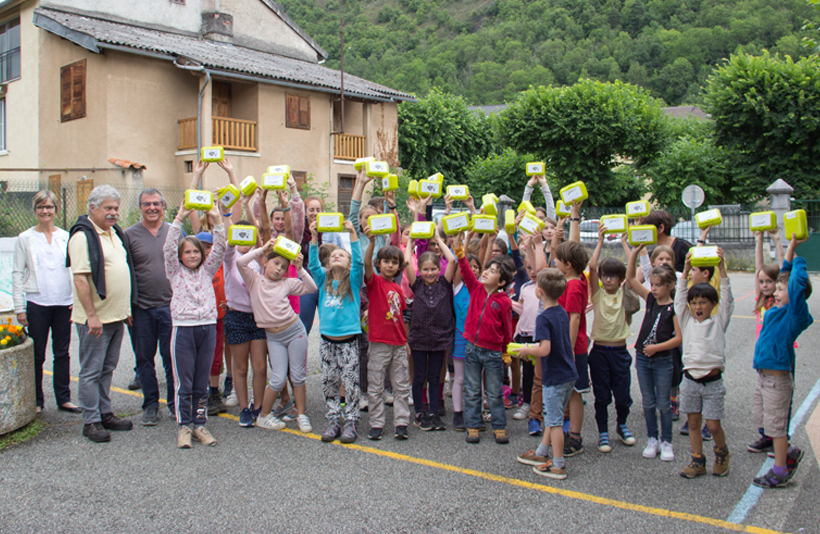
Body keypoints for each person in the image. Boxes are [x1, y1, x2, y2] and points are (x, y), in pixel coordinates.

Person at [67, 185, 136, 443]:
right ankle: (91, 421)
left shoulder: (114, 234)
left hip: (116, 316)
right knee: (91, 370)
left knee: (107, 368)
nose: (114, 213)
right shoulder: (82, 237)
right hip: (96, 320)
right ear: (92, 208)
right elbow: (81, 279)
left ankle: (105, 413)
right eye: (108, 208)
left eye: (116, 208)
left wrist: (126, 309)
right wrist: (91, 316)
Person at [238, 238, 318, 433]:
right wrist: (262, 249)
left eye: (283, 267)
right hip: (273, 338)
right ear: (265, 262)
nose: (279, 269)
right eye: (275, 263)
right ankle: (264, 416)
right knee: (278, 378)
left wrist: (299, 268)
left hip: (294, 332)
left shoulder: (287, 283)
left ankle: (301, 414)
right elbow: (240, 263)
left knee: (298, 376)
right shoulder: (254, 279)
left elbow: (312, 288)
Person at [751, 236, 812, 488]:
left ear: (795, 296)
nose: (774, 292)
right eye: (775, 288)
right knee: (763, 421)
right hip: (763, 378)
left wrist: (798, 256)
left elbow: (795, 282)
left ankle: (780, 470)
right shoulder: (776, 309)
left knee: (776, 427)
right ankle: (788, 451)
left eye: (779, 290)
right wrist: (790, 250)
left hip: (777, 381)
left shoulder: (794, 316)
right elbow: (785, 276)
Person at [164, 200, 226, 448]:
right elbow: (168, 248)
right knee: (185, 382)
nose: (192, 255)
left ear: (203, 254)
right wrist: (179, 217)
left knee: (202, 380)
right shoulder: (174, 272)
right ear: (180, 256)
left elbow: (220, 247)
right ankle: (184, 427)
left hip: (207, 327)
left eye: (196, 252)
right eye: (187, 252)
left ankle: (200, 425)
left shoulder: (207, 270)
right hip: (183, 329)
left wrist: (217, 219)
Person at [12, 190, 77, 414]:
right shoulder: (25, 238)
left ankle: (64, 398)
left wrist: (76, 302)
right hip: (37, 304)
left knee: (62, 353)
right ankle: (37, 401)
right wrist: (20, 308)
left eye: (49, 207)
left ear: (56, 210)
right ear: (35, 210)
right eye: (41, 207)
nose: (45, 211)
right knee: (37, 354)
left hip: (63, 303)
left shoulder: (66, 237)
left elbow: (75, 270)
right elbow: (17, 273)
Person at [677, 249, 734, 478]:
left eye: (703, 302)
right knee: (692, 423)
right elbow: (680, 299)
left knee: (712, 425)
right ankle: (697, 459)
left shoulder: (718, 321)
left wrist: (722, 269)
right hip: (690, 380)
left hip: (712, 383)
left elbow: (728, 300)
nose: (698, 307)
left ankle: (722, 451)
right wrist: (684, 272)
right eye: (694, 303)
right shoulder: (686, 321)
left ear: (713, 304)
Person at [453, 230, 514, 445]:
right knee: (472, 389)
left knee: (495, 391)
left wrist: (506, 351)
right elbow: (466, 270)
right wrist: (460, 250)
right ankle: (473, 425)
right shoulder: (475, 288)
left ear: (502, 282)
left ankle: (499, 427)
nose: (486, 272)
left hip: (494, 351)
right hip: (472, 348)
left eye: (493, 271)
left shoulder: (504, 301)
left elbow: (508, 329)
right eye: (487, 268)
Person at [516, 268, 578, 480]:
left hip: (555, 376)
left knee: (554, 422)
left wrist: (526, 350)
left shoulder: (543, 318)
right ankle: (542, 453)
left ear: (539, 292)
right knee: (555, 416)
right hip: (568, 372)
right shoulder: (561, 311)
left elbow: (544, 350)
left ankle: (558, 464)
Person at [125, 187, 177, 425]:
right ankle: (150, 405)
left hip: (170, 307)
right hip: (142, 309)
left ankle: (175, 403)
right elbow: (124, 273)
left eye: (156, 204)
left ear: (163, 206)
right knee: (144, 359)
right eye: (147, 204)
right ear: (141, 208)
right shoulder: (129, 235)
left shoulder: (174, 232)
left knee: (171, 359)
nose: (152, 208)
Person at [310, 220, 364, 443]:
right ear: (328, 264)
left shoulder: (353, 282)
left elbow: (360, 262)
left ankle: (351, 420)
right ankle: (333, 419)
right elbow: (313, 265)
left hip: (348, 341)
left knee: (350, 383)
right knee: (329, 381)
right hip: (327, 342)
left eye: (341, 255)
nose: (336, 257)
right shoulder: (324, 280)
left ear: (349, 263)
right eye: (333, 256)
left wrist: (352, 234)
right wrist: (314, 237)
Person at [625, 246, 681, 462]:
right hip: (643, 358)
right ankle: (652, 438)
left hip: (661, 359)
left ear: (670, 285)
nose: (655, 289)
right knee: (648, 402)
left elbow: (678, 339)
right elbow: (631, 278)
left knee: (664, 404)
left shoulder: (673, 308)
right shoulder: (650, 299)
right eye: (654, 285)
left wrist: (656, 348)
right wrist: (634, 253)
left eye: (659, 286)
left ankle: (667, 441)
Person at [587, 224, 635, 453]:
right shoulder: (596, 294)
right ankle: (603, 432)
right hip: (598, 352)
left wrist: (626, 244)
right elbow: (592, 266)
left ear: (619, 279)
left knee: (623, 396)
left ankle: (622, 424)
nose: (607, 280)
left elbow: (635, 274)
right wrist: (599, 240)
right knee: (602, 396)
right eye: (605, 276)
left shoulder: (624, 293)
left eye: (613, 277)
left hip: (619, 352)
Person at [403, 233, 456, 432]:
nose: (430, 273)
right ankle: (419, 413)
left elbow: (451, 259)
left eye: (433, 269)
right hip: (419, 338)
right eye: (425, 269)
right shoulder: (417, 285)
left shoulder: (444, 283)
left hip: (439, 338)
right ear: (420, 271)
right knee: (419, 376)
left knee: (435, 376)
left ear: (439, 270)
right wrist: (409, 242)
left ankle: (433, 412)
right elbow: (407, 261)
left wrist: (437, 238)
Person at [363, 231, 410, 441]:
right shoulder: (375, 283)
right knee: (376, 385)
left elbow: (400, 318)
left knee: (400, 385)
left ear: (399, 266)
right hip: (379, 343)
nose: (390, 265)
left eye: (394, 262)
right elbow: (366, 265)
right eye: (385, 262)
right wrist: (372, 243)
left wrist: (405, 342)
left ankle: (401, 422)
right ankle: (377, 423)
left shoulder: (398, 288)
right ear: (378, 264)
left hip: (398, 343)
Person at [747, 227, 785, 454]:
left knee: (777, 402)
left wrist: (777, 240)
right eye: (762, 282)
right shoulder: (761, 300)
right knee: (761, 400)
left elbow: (785, 273)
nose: (764, 285)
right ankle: (766, 436)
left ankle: (781, 438)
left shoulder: (782, 301)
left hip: (779, 359)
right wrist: (759, 240)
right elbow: (758, 269)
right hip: (762, 359)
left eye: (769, 282)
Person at [552, 238, 590, 457]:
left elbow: (574, 318)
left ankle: (575, 436)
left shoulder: (574, 285)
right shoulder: (578, 278)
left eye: (557, 258)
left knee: (575, 392)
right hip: (572, 346)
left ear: (568, 264)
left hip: (573, 347)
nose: (554, 261)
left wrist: (568, 348)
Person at [451, 248, 481, 432]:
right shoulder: (457, 287)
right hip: (461, 337)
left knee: (477, 379)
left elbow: (484, 251)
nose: (474, 269)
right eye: (471, 266)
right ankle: (457, 412)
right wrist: (461, 243)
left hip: (479, 339)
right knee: (460, 378)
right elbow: (458, 265)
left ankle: (476, 413)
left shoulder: (481, 287)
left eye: (477, 266)